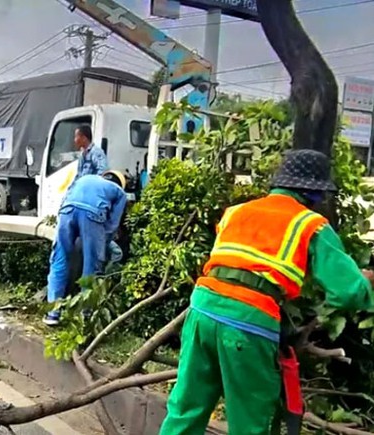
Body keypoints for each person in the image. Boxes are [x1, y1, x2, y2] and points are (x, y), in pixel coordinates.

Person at [159, 149, 374, 435]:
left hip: (201, 312)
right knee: (250, 421)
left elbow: (239, 266)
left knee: (186, 409)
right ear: (313, 193)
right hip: (247, 323)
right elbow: (347, 292)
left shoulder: (237, 211)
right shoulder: (311, 224)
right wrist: (365, 281)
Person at [44, 170, 128, 326]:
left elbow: (65, 201)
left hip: (66, 211)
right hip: (93, 214)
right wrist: (101, 246)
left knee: (59, 259)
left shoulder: (84, 178)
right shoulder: (120, 193)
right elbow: (112, 226)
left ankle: (53, 313)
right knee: (91, 266)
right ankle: (86, 315)